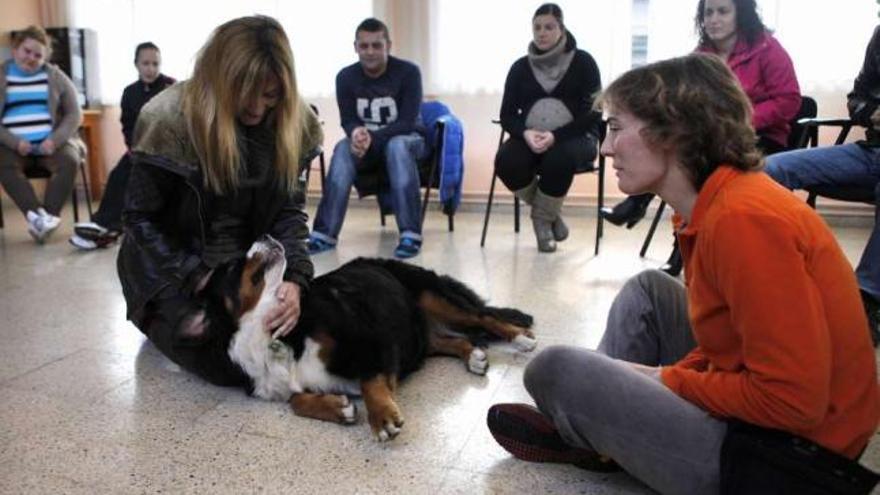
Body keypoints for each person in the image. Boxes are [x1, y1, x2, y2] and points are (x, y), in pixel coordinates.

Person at [486, 53, 879, 494]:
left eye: (616, 128)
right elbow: (728, 340)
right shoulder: (712, 203)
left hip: (791, 461)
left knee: (554, 368)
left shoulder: (744, 220)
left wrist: (662, 379)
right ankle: (599, 432)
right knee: (649, 291)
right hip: (778, 424)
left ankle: (589, 434)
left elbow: (792, 403)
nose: (607, 147)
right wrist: (656, 378)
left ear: (674, 133)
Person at [117, 16, 322, 386]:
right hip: (170, 273)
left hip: (241, 270)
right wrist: (197, 276)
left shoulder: (297, 122)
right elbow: (139, 220)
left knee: (302, 330)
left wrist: (294, 279)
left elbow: (289, 215)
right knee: (228, 359)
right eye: (245, 92)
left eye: (271, 94)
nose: (258, 109)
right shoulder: (167, 119)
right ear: (219, 82)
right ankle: (157, 319)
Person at [600, 0, 800, 275]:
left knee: (695, 167)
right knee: (674, 153)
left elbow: (789, 101)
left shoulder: (767, 49)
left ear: (740, 14)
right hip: (712, 134)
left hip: (760, 135)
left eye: (723, 11)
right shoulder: (700, 55)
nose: (714, 19)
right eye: (708, 12)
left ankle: (668, 238)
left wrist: (739, 120)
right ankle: (670, 234)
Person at [764, 26, 880, 346]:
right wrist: (873, 112)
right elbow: (858, 98)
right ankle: (768, 275)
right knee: (771, 168)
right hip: (871, 152)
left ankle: (867, 303)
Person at [306, 18, 427, 259]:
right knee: (342, 149)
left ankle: (410, 234)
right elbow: (348, 119)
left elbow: (406, 122)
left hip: (410, 140)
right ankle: (324, 233)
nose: (370, 52)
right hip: (368, 144)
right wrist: (355, 133)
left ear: (388, 46)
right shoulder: (345, 77)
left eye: (376, 45)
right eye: (364, 46)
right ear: (355, 47)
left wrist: (371, 137)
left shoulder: (409, 73)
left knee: (397, 145)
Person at [495, 3, 602, 253]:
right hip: (532, 136)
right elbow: (507, 115)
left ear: (561, 29)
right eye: (537, 27)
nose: (542, 32)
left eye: (549, 27)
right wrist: (525, 133)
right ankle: (551, 215)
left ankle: (542, 222)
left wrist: (557, 136)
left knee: (558, 158)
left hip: (577, 136)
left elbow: (595, 111)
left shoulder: (584, 62)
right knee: (506, 161)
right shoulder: (520, 67)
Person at [69, 41, 175, 250]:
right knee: (119, 174)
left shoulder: (170, 87)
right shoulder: (129, 92)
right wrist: (133, 147)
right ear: (136, 64)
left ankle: (110, 228)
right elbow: (127, 125)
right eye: (146, 63)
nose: (151, 68)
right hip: (139, 150)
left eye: (155, 64)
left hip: (168, 151)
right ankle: (102, 225)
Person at [0, 25, 83, 243]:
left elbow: (75, 114)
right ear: (16, 49)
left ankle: (47, 218)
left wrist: (54, 140)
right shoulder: (1, 74)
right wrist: (14, 142)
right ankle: (37, 216)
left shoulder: (55, 75)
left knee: (69, 160)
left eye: (38, 55)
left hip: (50, 144)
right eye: (27, 51)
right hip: (11, 147)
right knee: (2, 163)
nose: (31, 58)